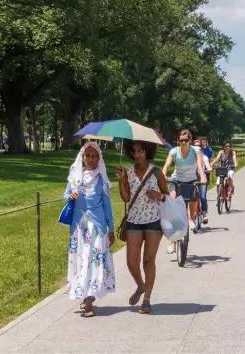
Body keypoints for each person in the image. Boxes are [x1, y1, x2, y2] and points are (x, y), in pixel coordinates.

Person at [116, 140, 169, 314]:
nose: (137, 154)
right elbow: (125, 198)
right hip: (134, 220)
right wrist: (121, 181)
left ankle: (146, 299)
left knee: (148, 260)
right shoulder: (128, 171)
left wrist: (159, 195)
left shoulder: (156, 172)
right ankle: (140, 285)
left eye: (141, 151)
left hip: (154, 221)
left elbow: (167, 197)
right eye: (134, 151)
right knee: (131, 262)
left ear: (147, 152)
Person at [64, 142, 115, 317]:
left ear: (99, 158)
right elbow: (66, 195)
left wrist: (111, 229)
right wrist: (70, 196)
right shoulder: (75, 176)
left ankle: (89, 300)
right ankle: (83, 293)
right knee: (81, 261)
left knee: (93, 262)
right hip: (79, 227)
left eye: (95, 156)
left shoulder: (102, 179)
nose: (91, 159)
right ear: (83, 157)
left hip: (97, 228)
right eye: (88, 156)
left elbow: (107, 205)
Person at [163, 129, 208, 248]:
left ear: (190, 140)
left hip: (191, 180)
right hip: (176, 180)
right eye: (181, 140)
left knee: (193, 198)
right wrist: (163, 174)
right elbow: (166, 165)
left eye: (186, 140)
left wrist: (203, 176)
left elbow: (199, 166)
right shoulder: (174, 151)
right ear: (178, 140)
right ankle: (172, 241)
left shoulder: (195, 150)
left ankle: (191, 218)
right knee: (173, 205)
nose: (183, 142)